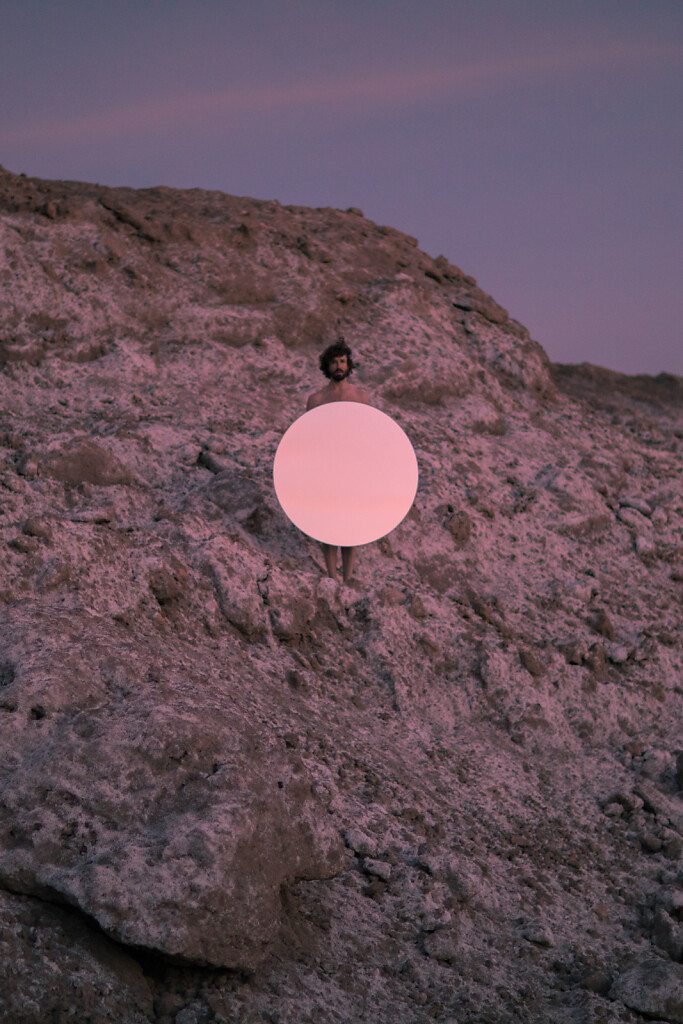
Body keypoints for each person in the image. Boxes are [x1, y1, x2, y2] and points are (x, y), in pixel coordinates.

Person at [306, 339, 371, 583]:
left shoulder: (361, 397)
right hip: (326, 470)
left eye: (342, 361)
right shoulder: (316, 400)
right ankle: (332, 576)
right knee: (327, 525)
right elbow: (308, 437)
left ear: (349, 364)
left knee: (351, 525)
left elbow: (368, 436)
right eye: (334, 362)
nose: (339, 366)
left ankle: (348, 577)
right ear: (327, 366)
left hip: (353, 469)